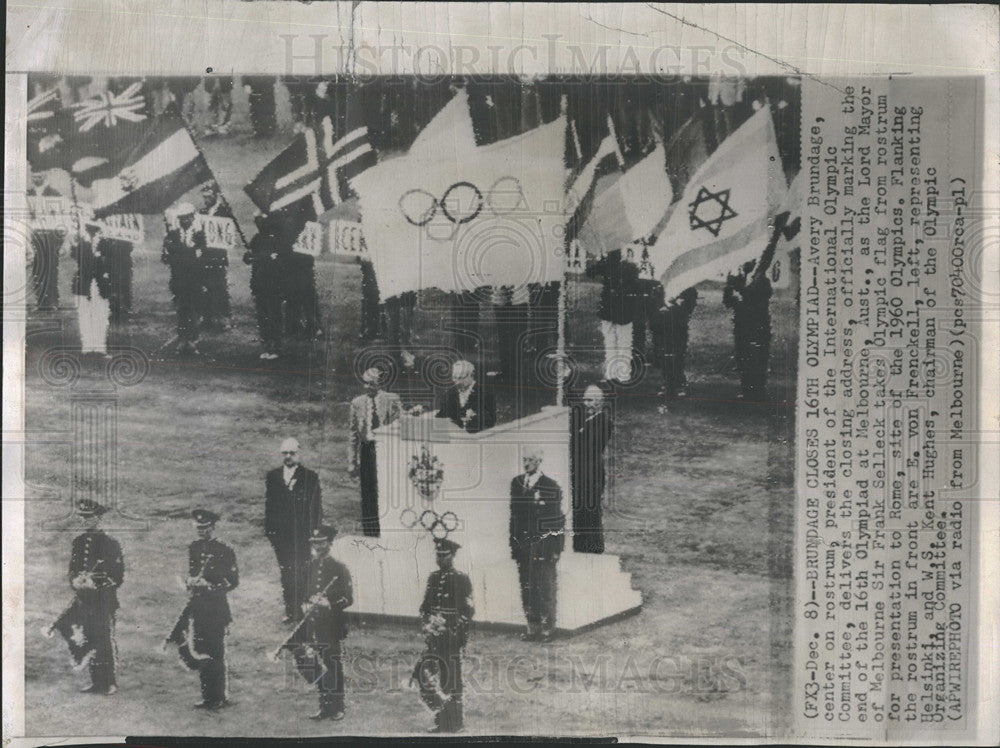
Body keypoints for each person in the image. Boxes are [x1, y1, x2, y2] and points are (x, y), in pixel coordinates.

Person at [47, 499, 124, 694]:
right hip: (83, 599)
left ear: (98, 518)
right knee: (87, 635)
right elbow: (72, 569)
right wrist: (75, 581)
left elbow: (117, 576)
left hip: (103, 600)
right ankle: (97, 682)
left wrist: (96, 584)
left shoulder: (111, 544)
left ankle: (109, 683)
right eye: (82, 517)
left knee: (103, 639)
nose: (84, 520)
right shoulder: (79, 542)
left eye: (88, 517)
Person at [280, 525, 353, 721]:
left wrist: (328, 603)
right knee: (313, 663)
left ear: (329, 543)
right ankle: (325, 706)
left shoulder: (339, 567)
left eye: (321, 542)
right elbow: (301, 593)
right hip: (312, 623)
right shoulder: (308, 566)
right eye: (315, 543)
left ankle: (337, 708)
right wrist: (304, 604)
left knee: (332, 664)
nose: (318, 546)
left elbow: (348, 599)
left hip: (331, 625)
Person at [169, 509, 239, 710]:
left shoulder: (225, 550)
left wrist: (210, 586)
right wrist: (191, 582)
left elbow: (232, 582)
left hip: (216, 609)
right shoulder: (194, 547)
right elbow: (193, 573)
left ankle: (219, 697)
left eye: (205, 528)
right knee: (201, 651)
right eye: (199, 528)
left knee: (216, 653)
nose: (202, 531)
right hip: (198, 608)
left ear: (213, 527)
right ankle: (208, 696)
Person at [416, 538, 474, 733]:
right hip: (433, 637)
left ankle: (455, 723)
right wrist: (426, 624)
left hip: (451, 637)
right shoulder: (433, 578)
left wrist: (454, 630)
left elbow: (468, 610)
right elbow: (425, 607)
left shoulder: (461, 579)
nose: (440, 559)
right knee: (424, 674)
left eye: (444, 555)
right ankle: (441, 719)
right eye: (438, 555)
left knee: (451, 680)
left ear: (452, 556)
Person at [509, 448, 565, 642]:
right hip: (523, 546)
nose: (526, 463)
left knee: (545, 587)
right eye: (524, 459)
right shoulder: (517, 484)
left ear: (539, 461)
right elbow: (514, 517)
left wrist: (556, 549)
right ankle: (532, 627)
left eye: (530, 460)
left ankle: (548, 628)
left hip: (543, 546)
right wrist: (514, 545)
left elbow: (557, 520)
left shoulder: (550, 486)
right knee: (527, 586)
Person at [265, 437, 323, 623]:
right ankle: (290, 610)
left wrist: (314, 532)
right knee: (286, 573)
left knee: (302, 571)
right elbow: (270, 506)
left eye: (292, 453)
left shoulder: (310, 477)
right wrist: (271, 532)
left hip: (302, 535)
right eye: (285, 453)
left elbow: (316, 508)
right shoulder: (273, 476)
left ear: (299, 454)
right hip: (281, 537)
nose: (288, 457)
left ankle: (303, 608)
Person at [349, 368, 402, 537]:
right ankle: (370, 533)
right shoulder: (357, 403)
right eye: (364, 383)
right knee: (368, 491)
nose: (366, 387)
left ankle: (388, 528)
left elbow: (399, 425)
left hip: (386, 450)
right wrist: (351, 462)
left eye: (370, 384)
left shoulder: (391, 400)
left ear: (379, 383)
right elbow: (352, 435)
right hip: (367, 450)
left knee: (387, 489)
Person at [586, 248, 640, 383]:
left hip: (609, 307)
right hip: (623, 308)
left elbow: (589, 272)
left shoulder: (607, 265)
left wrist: (602, 261)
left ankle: (612, 373)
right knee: (624, 341)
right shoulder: (629, 266)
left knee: (611, 341)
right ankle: (623, 374)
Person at [570, 385, 613, 554]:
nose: (586, 404)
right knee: (580, 509)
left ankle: (594, 546)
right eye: (585, 400)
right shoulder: (588, 421)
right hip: (582, 473)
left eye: (590, 400)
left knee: (591, 510)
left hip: (591, 474)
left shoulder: (604, 422)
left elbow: (588, 447)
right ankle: (581, 545)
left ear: (599, 402)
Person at [723, 261, 773, 401]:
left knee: (757, 357)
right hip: (742, 325)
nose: (744, 265)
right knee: (743, 356)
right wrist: (729, 287)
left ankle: (758, 391)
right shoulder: (738, 280)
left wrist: (741, 295)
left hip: (758, 326)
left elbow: (759, 300)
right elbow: (727, 301)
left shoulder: (762, 281)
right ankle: (746, 389)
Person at [161, 203, 206, 355]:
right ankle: (182, 339)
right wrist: (166, 249)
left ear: (192, 218)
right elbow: (166, 259)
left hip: (194, 280)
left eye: (187, 218)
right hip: (179, 280)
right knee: (181, 310)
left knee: (193, 310)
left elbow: (200, 258)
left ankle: (192, 340)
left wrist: (176, 250)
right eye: (181, 218)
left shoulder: (200, 235)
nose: (184, 221)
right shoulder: (172, 235)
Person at [243, 213, 288, 360]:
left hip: (274, 284)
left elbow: (275, 260)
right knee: (263, 316)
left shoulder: (278, 239)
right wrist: (249, 255)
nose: (259, 223)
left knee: (274, 315)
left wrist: (257, 257)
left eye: (262, 221)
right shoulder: (257, 238)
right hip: (259, 283)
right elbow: (249, 258)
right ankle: (267, 345)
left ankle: (276, 347)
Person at [71, 221, 112, 357]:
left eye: (95, 230)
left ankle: (99, 347)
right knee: (84, 315)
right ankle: (88, 347)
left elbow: (111, 261)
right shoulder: (81, 243)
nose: (93, 232)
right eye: (90, 229)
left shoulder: (106, 243)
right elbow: (76, 256)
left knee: (101, 315)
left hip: (100, 284)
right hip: (84, 283)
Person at [27, 168, 66, 311]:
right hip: (35, 234)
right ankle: (41, 302)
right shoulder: (27, 194)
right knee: (37, 269)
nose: (36, 178)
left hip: (51, 236)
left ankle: (52, 301)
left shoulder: (54, 194)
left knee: (51, 269)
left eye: (39, 175)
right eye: (34, 175)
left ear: (45, 175)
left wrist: (60, 240)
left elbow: (61, 218)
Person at [650, 285, 698, 398]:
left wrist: (675, 305)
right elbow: (653, 306)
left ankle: (679, 383)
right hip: (662, 327)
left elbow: (689, 307)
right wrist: (660, 308)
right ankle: (668, 383)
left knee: (677, 355)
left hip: (677, 328)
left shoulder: (687, 287)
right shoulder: (659, 287)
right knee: (664, 355)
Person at [197, 181, 233, 331]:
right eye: (204, 197)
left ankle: (224, 318)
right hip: (205, 255)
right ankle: (207, 317)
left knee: (219, 286)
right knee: (205, 286)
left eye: (209, 196)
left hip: (218, 255)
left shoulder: (223, 211)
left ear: (216, 195)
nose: (206, 200)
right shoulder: (202, 212)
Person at [436, 360, 496, 433]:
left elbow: (491, 420)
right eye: (454, 377)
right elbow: (442, 415)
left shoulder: (485, 393)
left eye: (460, 378)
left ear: (471, 375)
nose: (457, 381)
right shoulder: (450, 393)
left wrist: (474, 419)